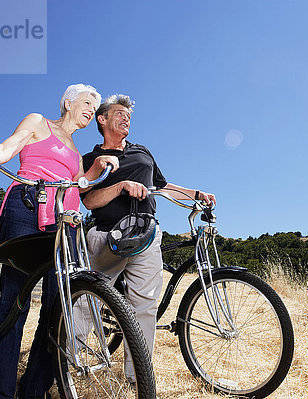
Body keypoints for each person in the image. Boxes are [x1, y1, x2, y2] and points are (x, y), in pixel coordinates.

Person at [0, 84, 118, 399]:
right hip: (25, 205)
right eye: (87, 103)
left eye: (95, 107)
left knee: (57, 308)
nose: (92, 110)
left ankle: (34, 390)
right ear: (68, 102)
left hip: (63, 222)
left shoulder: (77, 154)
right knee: (14, 301)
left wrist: (98, 166)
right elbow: (9, 146)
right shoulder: (39, 123)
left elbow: (79, 186)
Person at [81, 94, 215, 382]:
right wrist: (120, 187)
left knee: (144, 306)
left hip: (145, 235)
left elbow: (163, 187)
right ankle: (71, 365)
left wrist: (195, 194)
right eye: (119, 113)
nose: (126, 117)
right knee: (85, 301)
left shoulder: (142, 151)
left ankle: (137, 377)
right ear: (102, 120)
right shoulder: (91, 159)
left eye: (128, 114)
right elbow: (89, 201)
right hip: (106, 237)